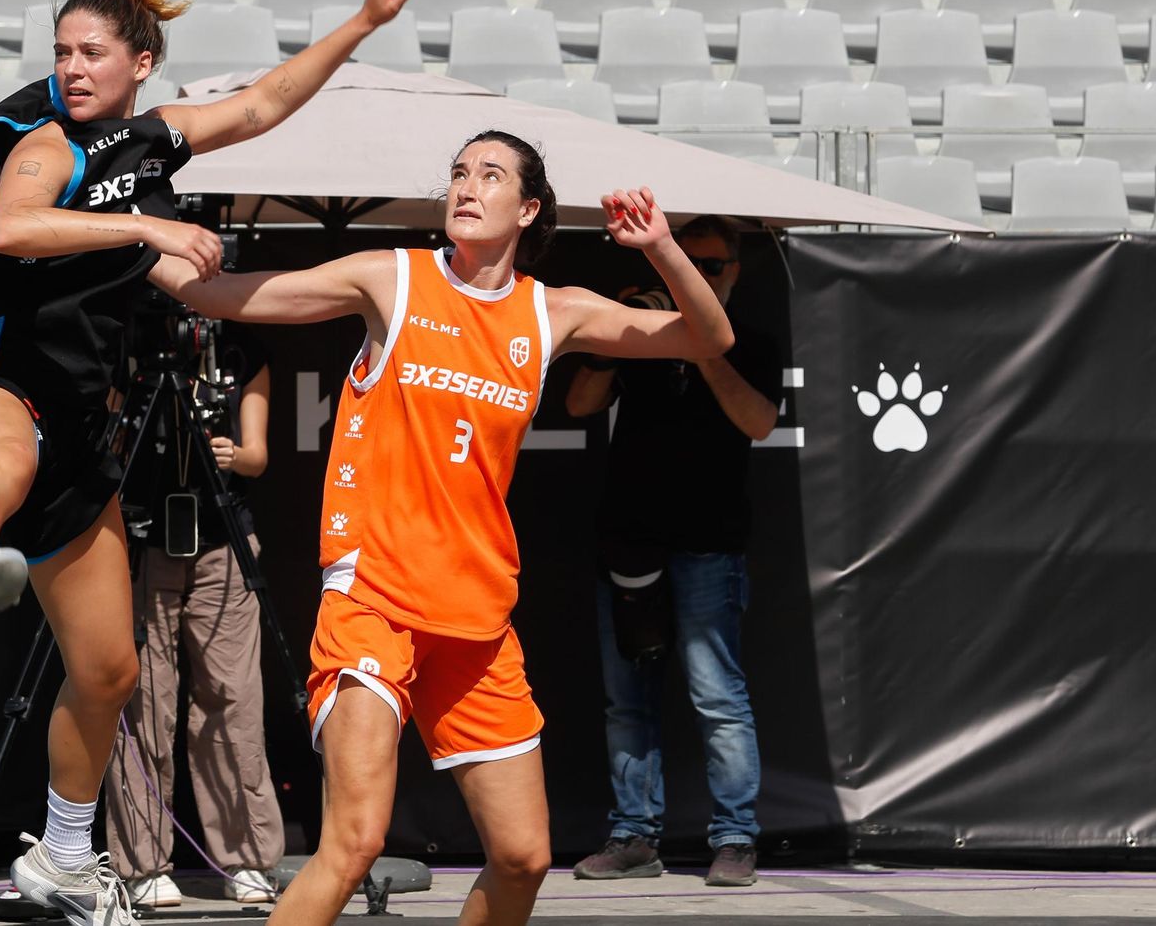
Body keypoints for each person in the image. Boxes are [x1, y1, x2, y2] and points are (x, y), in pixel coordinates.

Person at [0, 0, 419, 926]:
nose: (70, 67)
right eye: (60, 50)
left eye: (91, 52)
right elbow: (13, 228)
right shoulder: (41, 138)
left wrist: (362, 23)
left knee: (108, 670)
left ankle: (62, 859)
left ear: (142, 62)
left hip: (79, 418)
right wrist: (149, 228)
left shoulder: (150, 144)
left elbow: (263, 106)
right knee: (0, 461)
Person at [143, 131, 736, 926]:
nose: (466, 185)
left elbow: (710, 339)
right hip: (373, 596)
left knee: (524, 857)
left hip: (476, 617)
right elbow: (221, 294)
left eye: (490, 175)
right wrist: (126, 231)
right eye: (459, 172)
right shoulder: (393, 279)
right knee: (353, 844)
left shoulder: (549, 313)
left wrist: (661, 248)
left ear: (527, 209)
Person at [564, 216, 780, 888]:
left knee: (718, 696)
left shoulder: (752, 339)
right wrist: (615, 345)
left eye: (714, 267)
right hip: (629, 538)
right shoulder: (638, 331)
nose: (704, 275)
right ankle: (634, 835)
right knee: (626, 701)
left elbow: (758, 422)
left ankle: (736, 838)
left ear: (734, 273)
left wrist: (701, 344)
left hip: (709, 543)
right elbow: (578, 403)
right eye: (690, 264)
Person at [103, 324, 285, 908]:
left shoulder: (239, 345)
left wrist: (233, 452)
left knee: (233, 699)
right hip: (139, 538)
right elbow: (102, 449)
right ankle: (142, 864)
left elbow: (256, 456)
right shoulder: (127, 344)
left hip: (221, 539)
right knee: (143, 703)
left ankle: (247, 859)